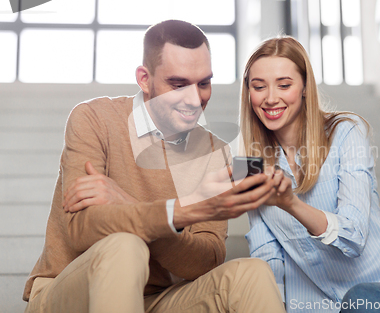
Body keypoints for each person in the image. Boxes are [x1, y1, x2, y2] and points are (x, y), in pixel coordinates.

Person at [23, 20, 286, 313]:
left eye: (204, 83)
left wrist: (128, 204)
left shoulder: (215, 151)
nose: (195, 98)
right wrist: (179, 213)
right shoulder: (93, 119)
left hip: (156, 300)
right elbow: (82, 229)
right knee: (125, 246)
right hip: (70, 294)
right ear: (144, 79)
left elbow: (206, 261)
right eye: (178, 84)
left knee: (252, 273)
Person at [240, 36, 380, 312]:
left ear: (305, 87)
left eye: (284, 85)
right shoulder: (251, 165)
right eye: (258, 87)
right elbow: (267, 254)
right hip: (317, 306)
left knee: (363, 301)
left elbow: (353, 236)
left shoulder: (345, 132)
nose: (271, 98)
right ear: (248, 93)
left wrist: (291, 204)